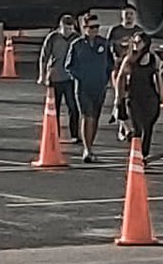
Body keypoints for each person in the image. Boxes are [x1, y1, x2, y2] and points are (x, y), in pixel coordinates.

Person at [65, 14, 115, 162]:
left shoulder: (104, 44)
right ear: (84, 28)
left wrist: (105, 79)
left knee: (96, 117)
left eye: (97, 27)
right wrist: (80, 77)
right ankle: (87, 149)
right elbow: (69, 66)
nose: (95, 30)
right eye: (92, 27)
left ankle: (90, 147)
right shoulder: (77, 45)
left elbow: (110, 64)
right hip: (83, 87)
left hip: (99, 87)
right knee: (88, 117)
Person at [114, 32, 163, 158]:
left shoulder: (153, 59)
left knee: (148, 127)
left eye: (138, 42)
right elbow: (120, 78)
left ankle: (144, 154)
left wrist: (162, 94)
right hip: (133, 96)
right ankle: (136, 152)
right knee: (137, 128)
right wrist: (118, 97)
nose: (136, 45)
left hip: (150, 97)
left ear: (146, 44)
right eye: (134, 42)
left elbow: (158, 77)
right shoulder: (129, 59)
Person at [38, 14, 81, 144]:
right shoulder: (53, 38)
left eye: (70, 28)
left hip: (71, 78)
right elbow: (44, 57)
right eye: (65, 28)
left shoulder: (77, 39)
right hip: (55, 77)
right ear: (60, 26)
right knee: (54, 108)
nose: (67, 31)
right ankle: (54, 133)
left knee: (73, 107)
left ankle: (74, 134)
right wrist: (42, 75)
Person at [107, 6, 145, 139]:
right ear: (122, 16)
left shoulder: (139, 31)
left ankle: (123, 126)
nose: (129, 16)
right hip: (118, 69)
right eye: (126, 14)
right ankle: (126, 128)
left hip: (133, 71)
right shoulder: (115, 31)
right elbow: (109, 48)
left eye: (131, 14)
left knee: (130, 100)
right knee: (119, 97)